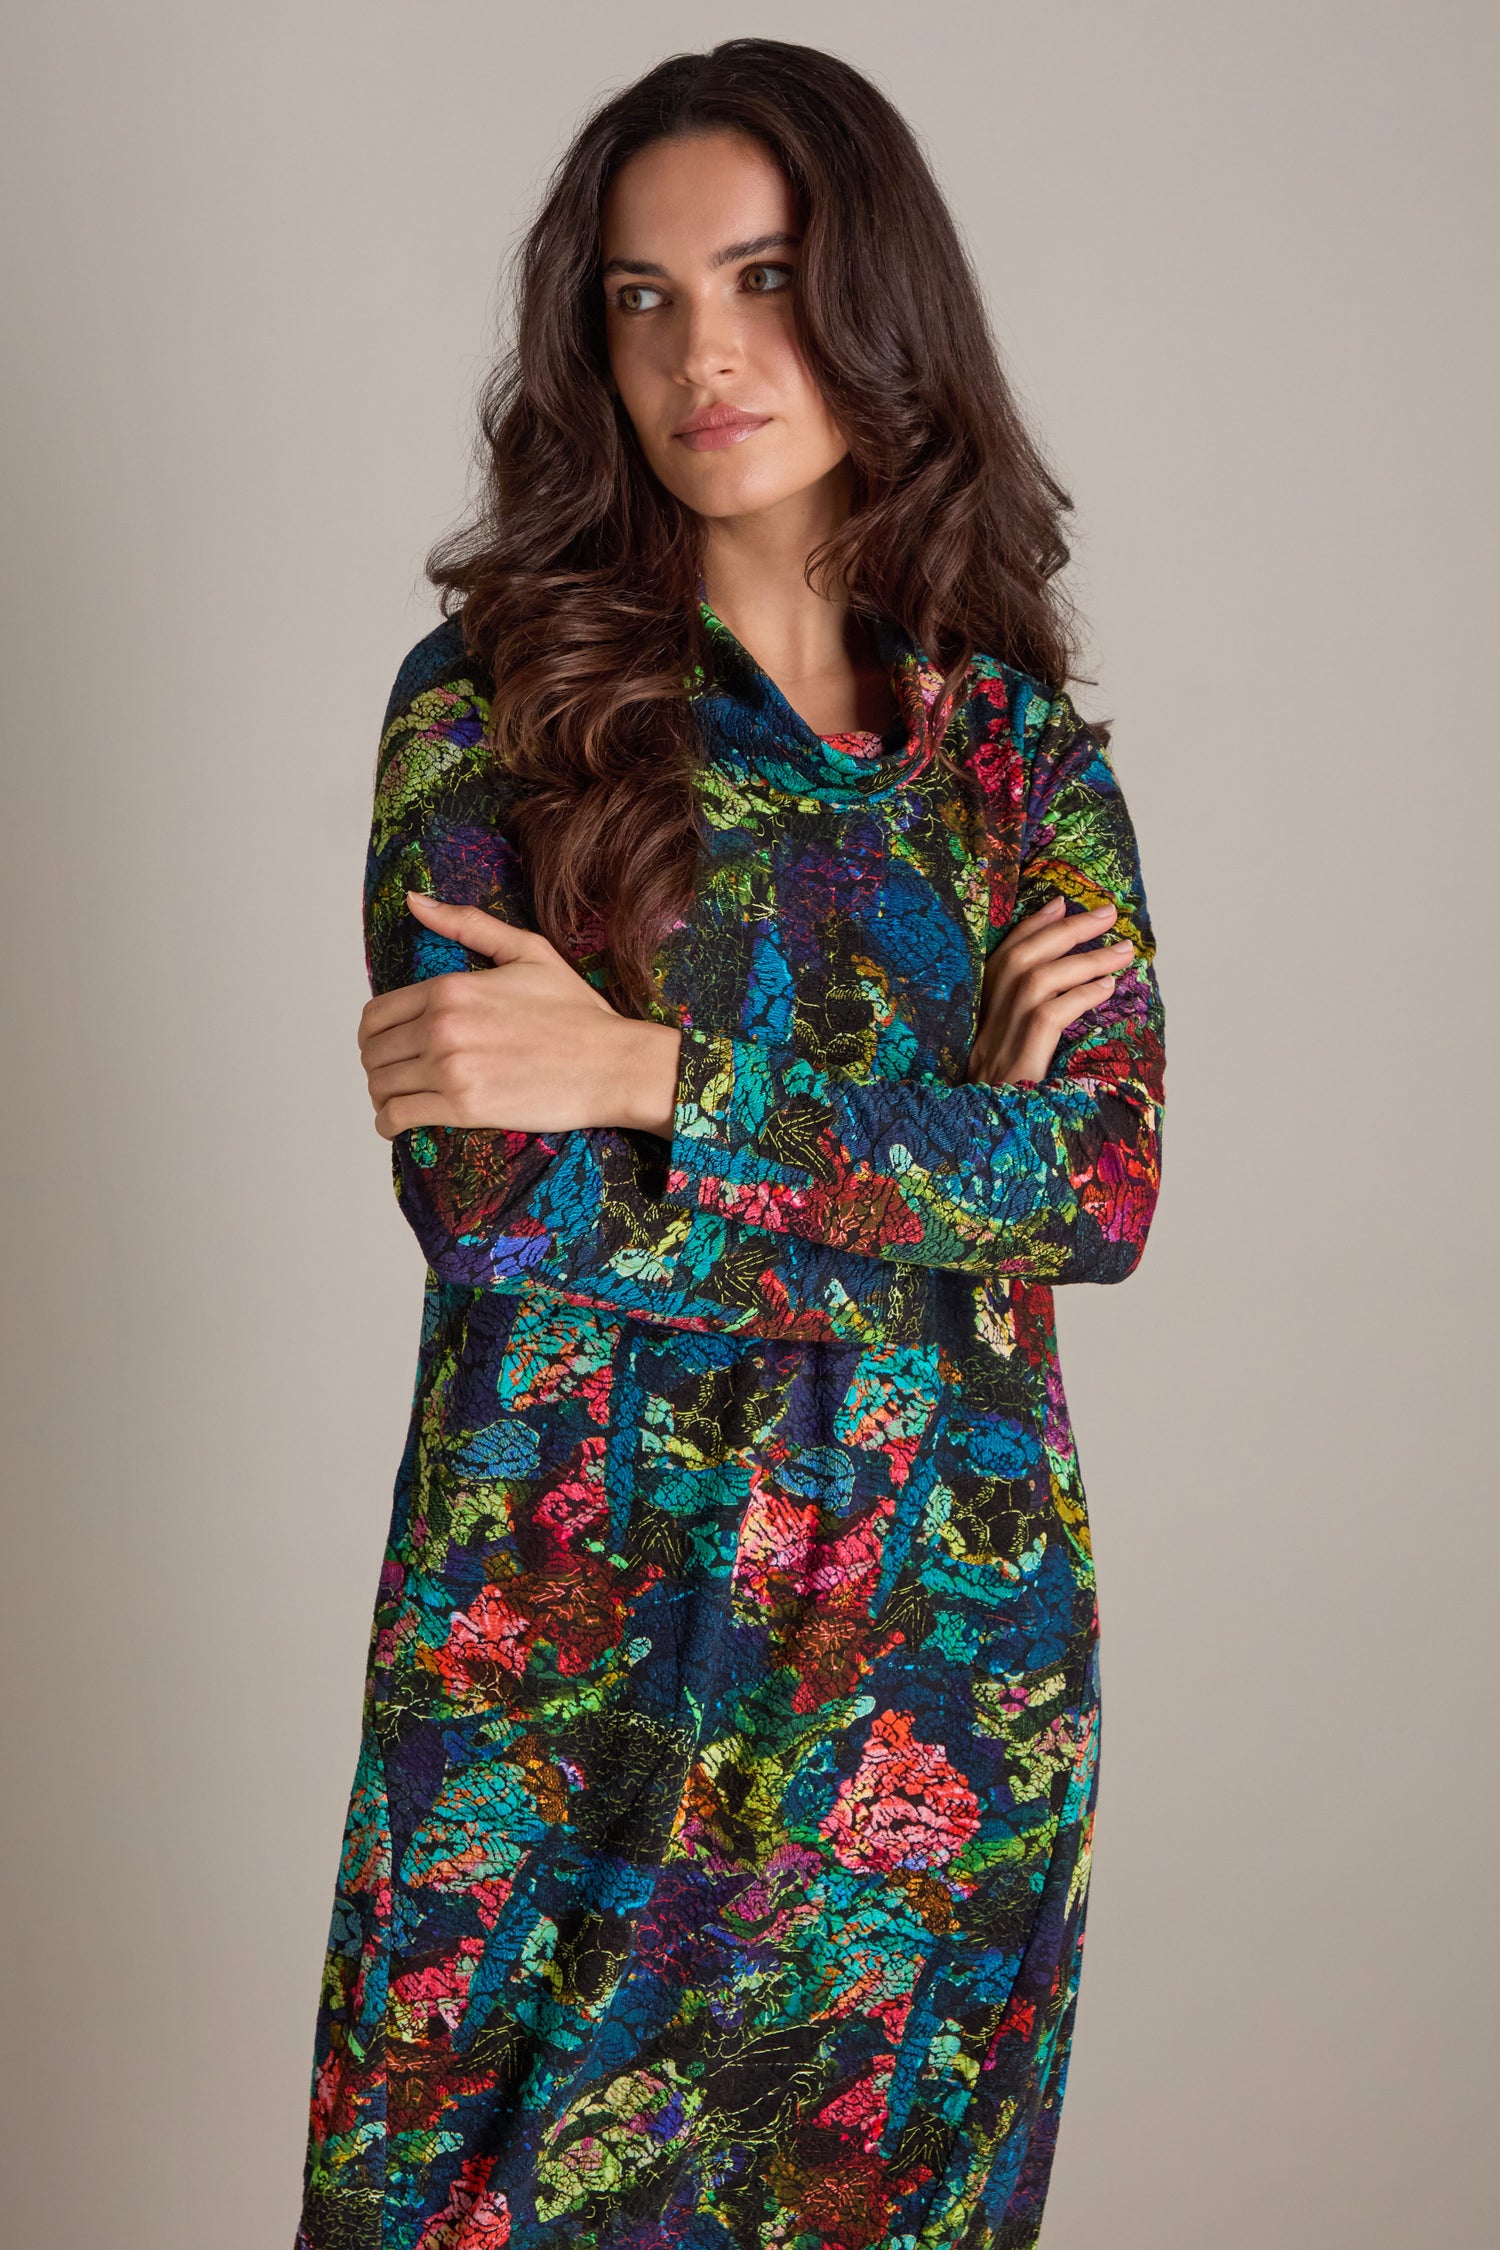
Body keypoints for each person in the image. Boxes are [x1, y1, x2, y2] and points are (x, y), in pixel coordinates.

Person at [295, 37, 1164, 2250]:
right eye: (642, 296)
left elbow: (1099, 1194)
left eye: (762, 277)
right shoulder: (496, 695)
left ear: (877, 296)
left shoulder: (1014, 764)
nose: (703, 349)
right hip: (566, 1678)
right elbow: (492, 1212)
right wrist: (930, 1145)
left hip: (941, 1686)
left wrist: (653, 1081)